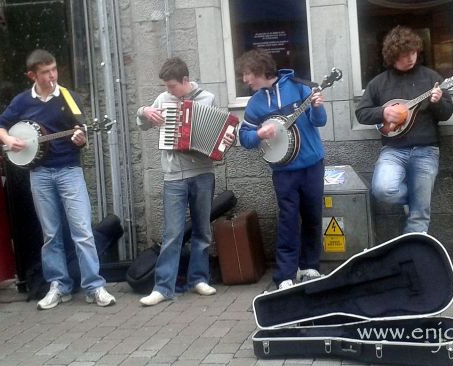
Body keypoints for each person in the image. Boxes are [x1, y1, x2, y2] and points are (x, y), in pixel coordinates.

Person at [0, 49, 116, 310]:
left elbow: (81, 132)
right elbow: (0, 125)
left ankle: (94, 287)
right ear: (32, 75)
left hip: (69, 171)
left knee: (82, 231)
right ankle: (59, 286)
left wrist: (80, 138)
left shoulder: (69, 97)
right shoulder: (22, 101)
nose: (52, 76)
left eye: (54, 70)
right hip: (39, 174)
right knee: (51, 234)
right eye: (45, 72)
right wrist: (9, 139)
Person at [136, 57, 234, 306]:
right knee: (172, 233)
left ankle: (199, 279)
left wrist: (225, 141)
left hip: (202, 173)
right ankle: (163, 287)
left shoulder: (207, 99)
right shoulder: (162, 100)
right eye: (166, 86)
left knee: (202, 229)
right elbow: (144, 124)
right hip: (173, 177)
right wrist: (143, 112)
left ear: (185, 81)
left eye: (171, 86)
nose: (168, 91)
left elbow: (219, 133)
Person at [236, 49, 327, 290]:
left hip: (312, 164)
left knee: (312, 216)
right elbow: (244, 138)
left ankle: (310, 267)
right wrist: (258, 134)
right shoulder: (255, 104)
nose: (244, 80)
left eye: (247, 74)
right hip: (284, 170)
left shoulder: (299, 88)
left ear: (260, 71)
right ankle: (285, 273)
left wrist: (317, 106)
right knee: (287, 220)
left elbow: (320, 122)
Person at [355, 25, 453, 234]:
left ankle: (413, 259)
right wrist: (383, 113)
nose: (410, 58)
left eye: (413, 52)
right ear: (392, 56)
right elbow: (361, 113)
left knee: (419, 216)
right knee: (382, 189)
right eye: (404, 54)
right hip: (393, 150)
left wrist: (437, 101)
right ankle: (416, 199)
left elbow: (446, 114)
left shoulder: (430, 78)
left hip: (426, 150)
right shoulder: (379, 83)